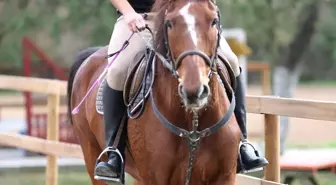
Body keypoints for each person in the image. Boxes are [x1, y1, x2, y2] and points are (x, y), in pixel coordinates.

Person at [94, 0, 268, 182]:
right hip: (140, 18)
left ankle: (243, 145)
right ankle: (114, 153)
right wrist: (128, 12)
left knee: (231, 61)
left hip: (187, 16)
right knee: (117, 70)